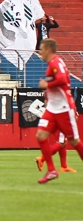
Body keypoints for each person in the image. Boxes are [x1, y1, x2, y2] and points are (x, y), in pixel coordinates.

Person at [35, 38, 83, 184]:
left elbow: (62, 79)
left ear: (49, 50)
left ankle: (55, 167)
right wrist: (48, 91)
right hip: (52, 108)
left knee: (74, 141)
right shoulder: (53, 64)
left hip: (63, 109)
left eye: (41, 49)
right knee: (41, 135)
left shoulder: (56, 62)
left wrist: (46, 84)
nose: (40, 52)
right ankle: (52, 170)